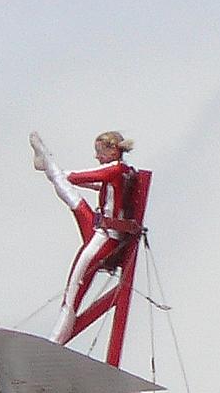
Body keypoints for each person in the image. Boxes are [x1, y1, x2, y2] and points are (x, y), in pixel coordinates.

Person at [31, 130, 142, 342]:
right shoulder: (124, 171)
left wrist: (60, 174)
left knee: (74, 290)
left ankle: (55, 341)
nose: (97, 157)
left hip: (106, 239)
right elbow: (96, 184)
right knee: (71, 196)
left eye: (99, 152)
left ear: (111, 151)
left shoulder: (114, 169)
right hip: (101, 229)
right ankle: (46, 161)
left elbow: (80, 177)